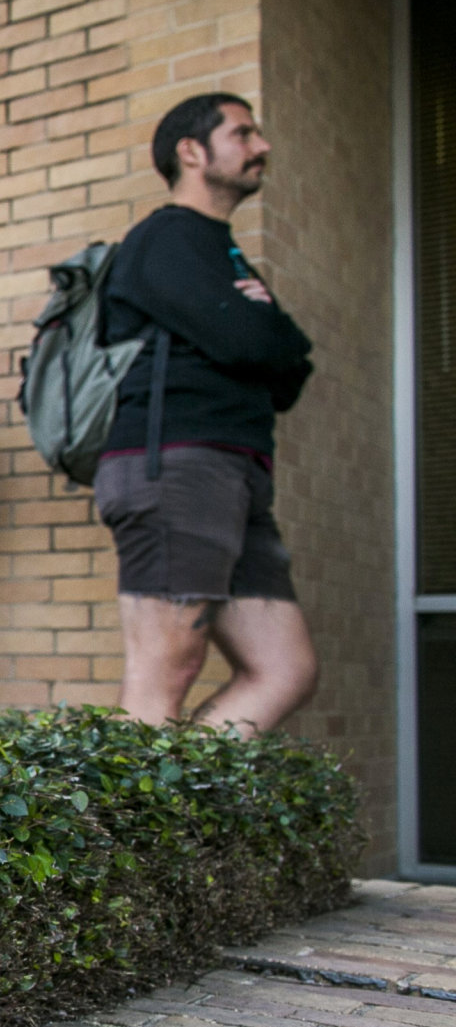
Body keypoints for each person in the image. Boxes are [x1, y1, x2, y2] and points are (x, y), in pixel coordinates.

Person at [95, 94, 316, 736]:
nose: (262, 146)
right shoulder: (165, 238)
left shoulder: (226, 254)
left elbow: (293, 372)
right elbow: (253, 344)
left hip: (235, 468)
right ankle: (133, 831)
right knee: (165, 668)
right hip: (174, 467)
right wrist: (266, 328)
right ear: (191, 152)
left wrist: (267, 334)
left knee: (285, 668)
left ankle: (176, 804)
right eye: (243, 133)